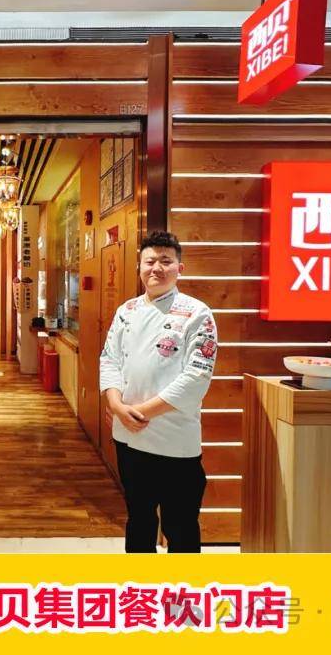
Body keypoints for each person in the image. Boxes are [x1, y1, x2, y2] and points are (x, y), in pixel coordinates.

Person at [99, 231, 217, 553]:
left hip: (175, 440)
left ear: (180, 268)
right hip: (129, 438)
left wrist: (139, 413)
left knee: (181, 525)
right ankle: (141, 584)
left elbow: (197, 376)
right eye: (150, 261)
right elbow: (109, 359)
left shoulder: (197, 313)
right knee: (139, 519)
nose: (157, 268)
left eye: (166, 261)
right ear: (139, 266)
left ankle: (184, 588)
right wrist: (116, 405)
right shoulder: (126, 310)